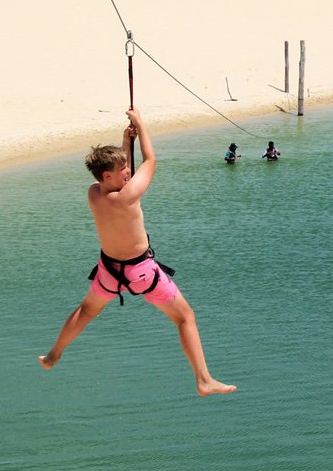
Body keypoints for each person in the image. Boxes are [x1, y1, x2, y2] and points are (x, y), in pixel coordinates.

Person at [38, 108, 236, 397]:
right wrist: (141, 126)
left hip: (109, 272)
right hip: (141, 272)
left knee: (86, 310)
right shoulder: (129, 196)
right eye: (122, 171)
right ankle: (203, 379)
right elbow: (151, 161)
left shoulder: (94, 193)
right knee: (185, 318)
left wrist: (123, 143)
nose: (128, 173)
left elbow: (120, 175)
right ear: (109, 174)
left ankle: (54, 355)